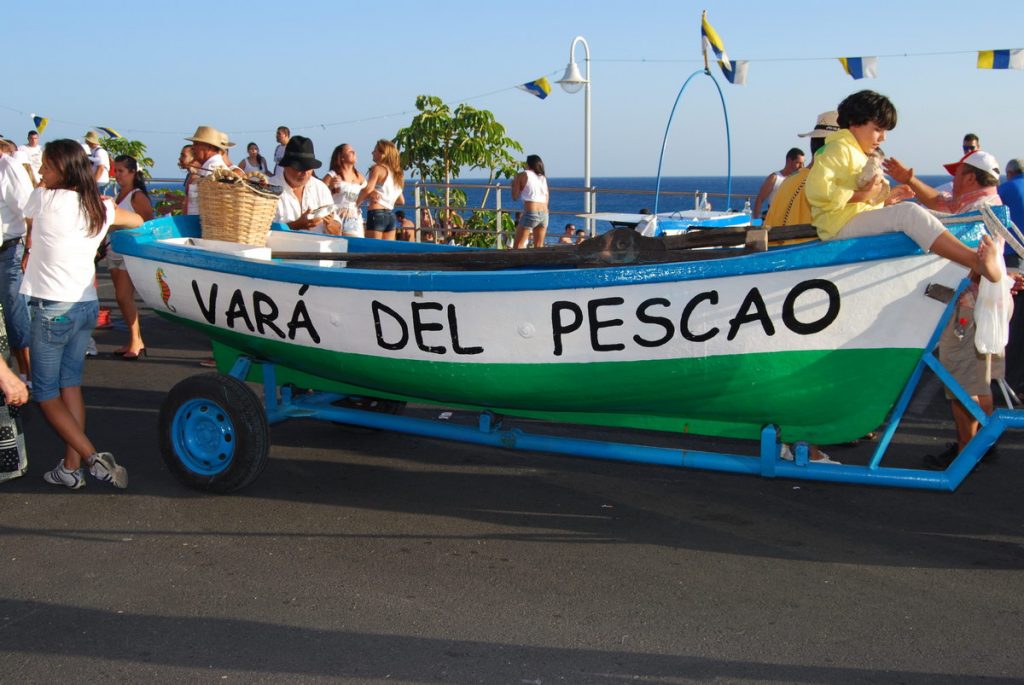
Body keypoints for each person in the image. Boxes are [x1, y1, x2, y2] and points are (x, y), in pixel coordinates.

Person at [884, 150, 1018, 468]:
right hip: (990, 303)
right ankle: (980, 444)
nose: (952, 181)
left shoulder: (978, 211)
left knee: (960, 384)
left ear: (970, 177)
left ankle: (967, 451)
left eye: (958, 175)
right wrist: (910, 180)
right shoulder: (984, 205)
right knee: (979, 380)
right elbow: (940, 202)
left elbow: (975, 259)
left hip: (969, 307)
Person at [22, 139, 143, 490]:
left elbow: (25, 210)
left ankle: (92, 458)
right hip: (86, 306)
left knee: (45, 392)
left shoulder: (43, 199)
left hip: (51, 309)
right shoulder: (99, 206)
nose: (41, 172)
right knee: (70, 384)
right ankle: (70, 468)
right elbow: (136, 219)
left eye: (46, 166)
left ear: (62, 169)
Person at [805, 90, 1003, 286]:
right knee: (907, 214)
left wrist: (884, 197)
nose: (883, 138)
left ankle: (970, 261)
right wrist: (864, 194)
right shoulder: (838, 149)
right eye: (878, 129)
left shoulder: (853, 152)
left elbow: (855, 199)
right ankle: (973, 261)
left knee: (919, 215)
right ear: (854, 123)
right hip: (837, 225)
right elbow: (817, 190)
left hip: (845, 220)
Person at [108, 155, 154, 359]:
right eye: (115, 171)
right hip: (113, 248)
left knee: (123, 296)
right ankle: (133, 339)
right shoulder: (119, 194)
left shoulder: (137, 196)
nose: (117, 175)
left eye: (120, 171)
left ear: (132, 173)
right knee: (122, 298)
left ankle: (136, 340)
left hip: (129, 251)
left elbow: (147, 223)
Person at [0, 137, 33, 381]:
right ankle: (15, 375)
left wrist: (30, 250)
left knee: (16, 314)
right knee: (7, 318)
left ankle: (30, 376)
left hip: (11, 251)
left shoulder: (8, 168)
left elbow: (30, 213)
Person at [272, 136, 340, 234]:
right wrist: (296, 225)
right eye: (299, 168)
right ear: (286, 166)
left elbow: (338, 230)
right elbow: (259, 230)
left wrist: (330, 225)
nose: (305, 173)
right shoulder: (268, 189)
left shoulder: (320, 188)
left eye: (308, 168)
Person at [997, 158, 1024, 393]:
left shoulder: (1006, 189)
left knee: (1013, 321)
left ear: (1010, 173)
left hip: (1012, 259)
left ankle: (1008, 381)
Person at [356, 139, 405, 240]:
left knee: (371, 250)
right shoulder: (398, 175)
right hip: (390, 216)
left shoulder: (377, 169)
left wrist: (355, 204)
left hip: (376, 213)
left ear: (383, 153)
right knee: (386, 252)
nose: (372, 152)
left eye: (375, 150)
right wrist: (384, 197)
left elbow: (368, 189)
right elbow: (401, 201)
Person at [183, 125, 232, 215]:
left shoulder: (213, 167)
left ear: (208, 147)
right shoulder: (210, 165)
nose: (193, 147)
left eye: (196, 144)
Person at [322, 143, 367, 238]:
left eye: (354, 151)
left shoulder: (359, 176)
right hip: (335, 216)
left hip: (352, 217)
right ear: (341, 157)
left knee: (354, 246)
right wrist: (331, 187)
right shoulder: (333, 174)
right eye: (350, 151)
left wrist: (358, 203)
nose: (354, 152)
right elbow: (320, 193)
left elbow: (367, 190)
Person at [753, 148, 805, 218]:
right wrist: (756, 221)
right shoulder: (775, 178)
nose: (801, 166)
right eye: (798, 163)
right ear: (789, 161)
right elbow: (760, 199)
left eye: (803, 163)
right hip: (775, 220)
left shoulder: (801, 179)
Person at [511, 154, 549, 249]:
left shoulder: (522, 175)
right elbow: (546, 198)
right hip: (544, 213)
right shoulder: (542, 178)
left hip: (531, 212)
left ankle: (518, 263)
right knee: (538, 247)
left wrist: (514, 184)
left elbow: (514, 197)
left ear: (528, 164)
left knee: (518, 246)